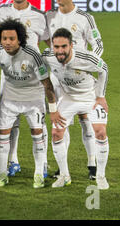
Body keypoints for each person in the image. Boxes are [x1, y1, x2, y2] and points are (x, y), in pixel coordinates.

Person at [0, 19, 64, 188]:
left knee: (37, 134)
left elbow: (47, 84)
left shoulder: (33, 55)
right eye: (4, 38)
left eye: (11, 39)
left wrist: (52, 110)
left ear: (20, 39)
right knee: (2, 135)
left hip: (33, 97)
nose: (7, 42)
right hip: (10, 97)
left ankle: (39, 174)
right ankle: (3, 174)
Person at [46, 0, 106, 180]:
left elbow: (97, 43)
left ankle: (92, 164)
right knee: (62, 120)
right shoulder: (50, 16)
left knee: (85, 119)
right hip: (58, 76)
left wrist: (87, 63)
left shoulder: (84, 18)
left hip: (80, 75)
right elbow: (48, 43)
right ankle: (62, 169)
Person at [42, 28, 110, 190]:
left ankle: (100, 176)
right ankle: (64, 175)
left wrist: (100, 96)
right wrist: (52, 107)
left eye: (63, 47)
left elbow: (104, 69)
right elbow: (44, 76)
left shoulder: (85, 58)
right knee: (56, 133)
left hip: (90, 96)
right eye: (56, 47)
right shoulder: (47, 56)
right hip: (68, 98)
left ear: (71, 45)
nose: (59, 51)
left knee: (100, 131)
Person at [0, 0, 50, 178]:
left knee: (38, 120)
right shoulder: (2, 12)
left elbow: (48, 42)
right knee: (10, 120)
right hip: (8, 73)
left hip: (33, 76)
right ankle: (13, 160)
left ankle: (43, 164)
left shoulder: (38, 15)